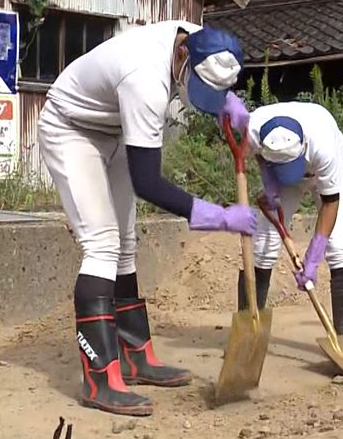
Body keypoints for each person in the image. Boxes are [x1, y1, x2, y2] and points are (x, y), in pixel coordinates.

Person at [39, 21, 256, 417]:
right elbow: (149, 184)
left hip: (112, 128)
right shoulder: (145, 79)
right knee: (102, 244)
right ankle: (100, 378)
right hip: (71, 127)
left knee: (126, 245)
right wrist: (219, 217)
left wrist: (231, 103)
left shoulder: (202, 41)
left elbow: (215, 73)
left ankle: (136, 356)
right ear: (181, 56)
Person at [239, 101, 343, 340]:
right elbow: (258, 156)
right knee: (263, 246)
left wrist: (314, 254)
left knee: (338, 247)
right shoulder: (252, 129)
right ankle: (246, 333)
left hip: (320, 172)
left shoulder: (323, 146)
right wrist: (270, 183)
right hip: (281, 172)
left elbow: (330, 202)